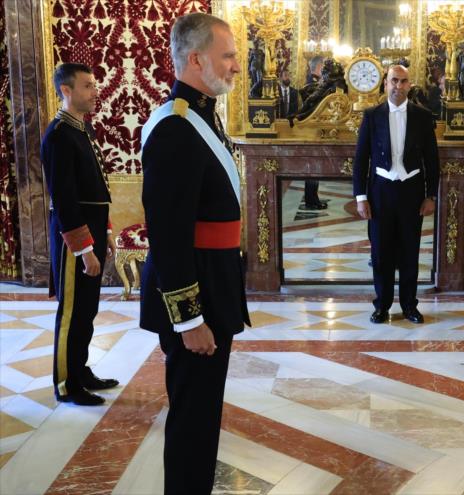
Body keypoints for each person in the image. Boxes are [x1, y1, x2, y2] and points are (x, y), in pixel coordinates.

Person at [139, 12, 250, 494]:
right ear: (196, 58)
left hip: (214, 284)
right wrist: (188, 319)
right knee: (192, 418)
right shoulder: (175, 127)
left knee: (204, 415)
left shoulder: (203, 114)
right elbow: (167, 235)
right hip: (194, 295)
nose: (236, 66)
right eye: (228, 56)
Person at [40, 62, 119, 406]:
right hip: (75, 240)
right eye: (87, 86)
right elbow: (65, 199)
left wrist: (109, 230)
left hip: (94, 233)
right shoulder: (59, 134)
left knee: (88, 309)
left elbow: (95, 188)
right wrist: (84, 247)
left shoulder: (83, 130)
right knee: (72, 313)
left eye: (94, 85)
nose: (95, 91)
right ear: (67, 90)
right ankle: (66, 383)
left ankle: (80, 369)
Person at [353, 64, 439, 324]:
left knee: (410, 252)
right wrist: (361, 197)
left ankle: (409, 306)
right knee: (381, 253)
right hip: (380, 191)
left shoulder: (423, 117)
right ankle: (382, 305)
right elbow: (361, 159)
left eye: (402, 82)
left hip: (412, 192)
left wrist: (430, 195)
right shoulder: (372, 115)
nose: (397, 87)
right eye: (393, 81)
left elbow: (432, 161)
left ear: (409, 85)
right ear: (385, 83)